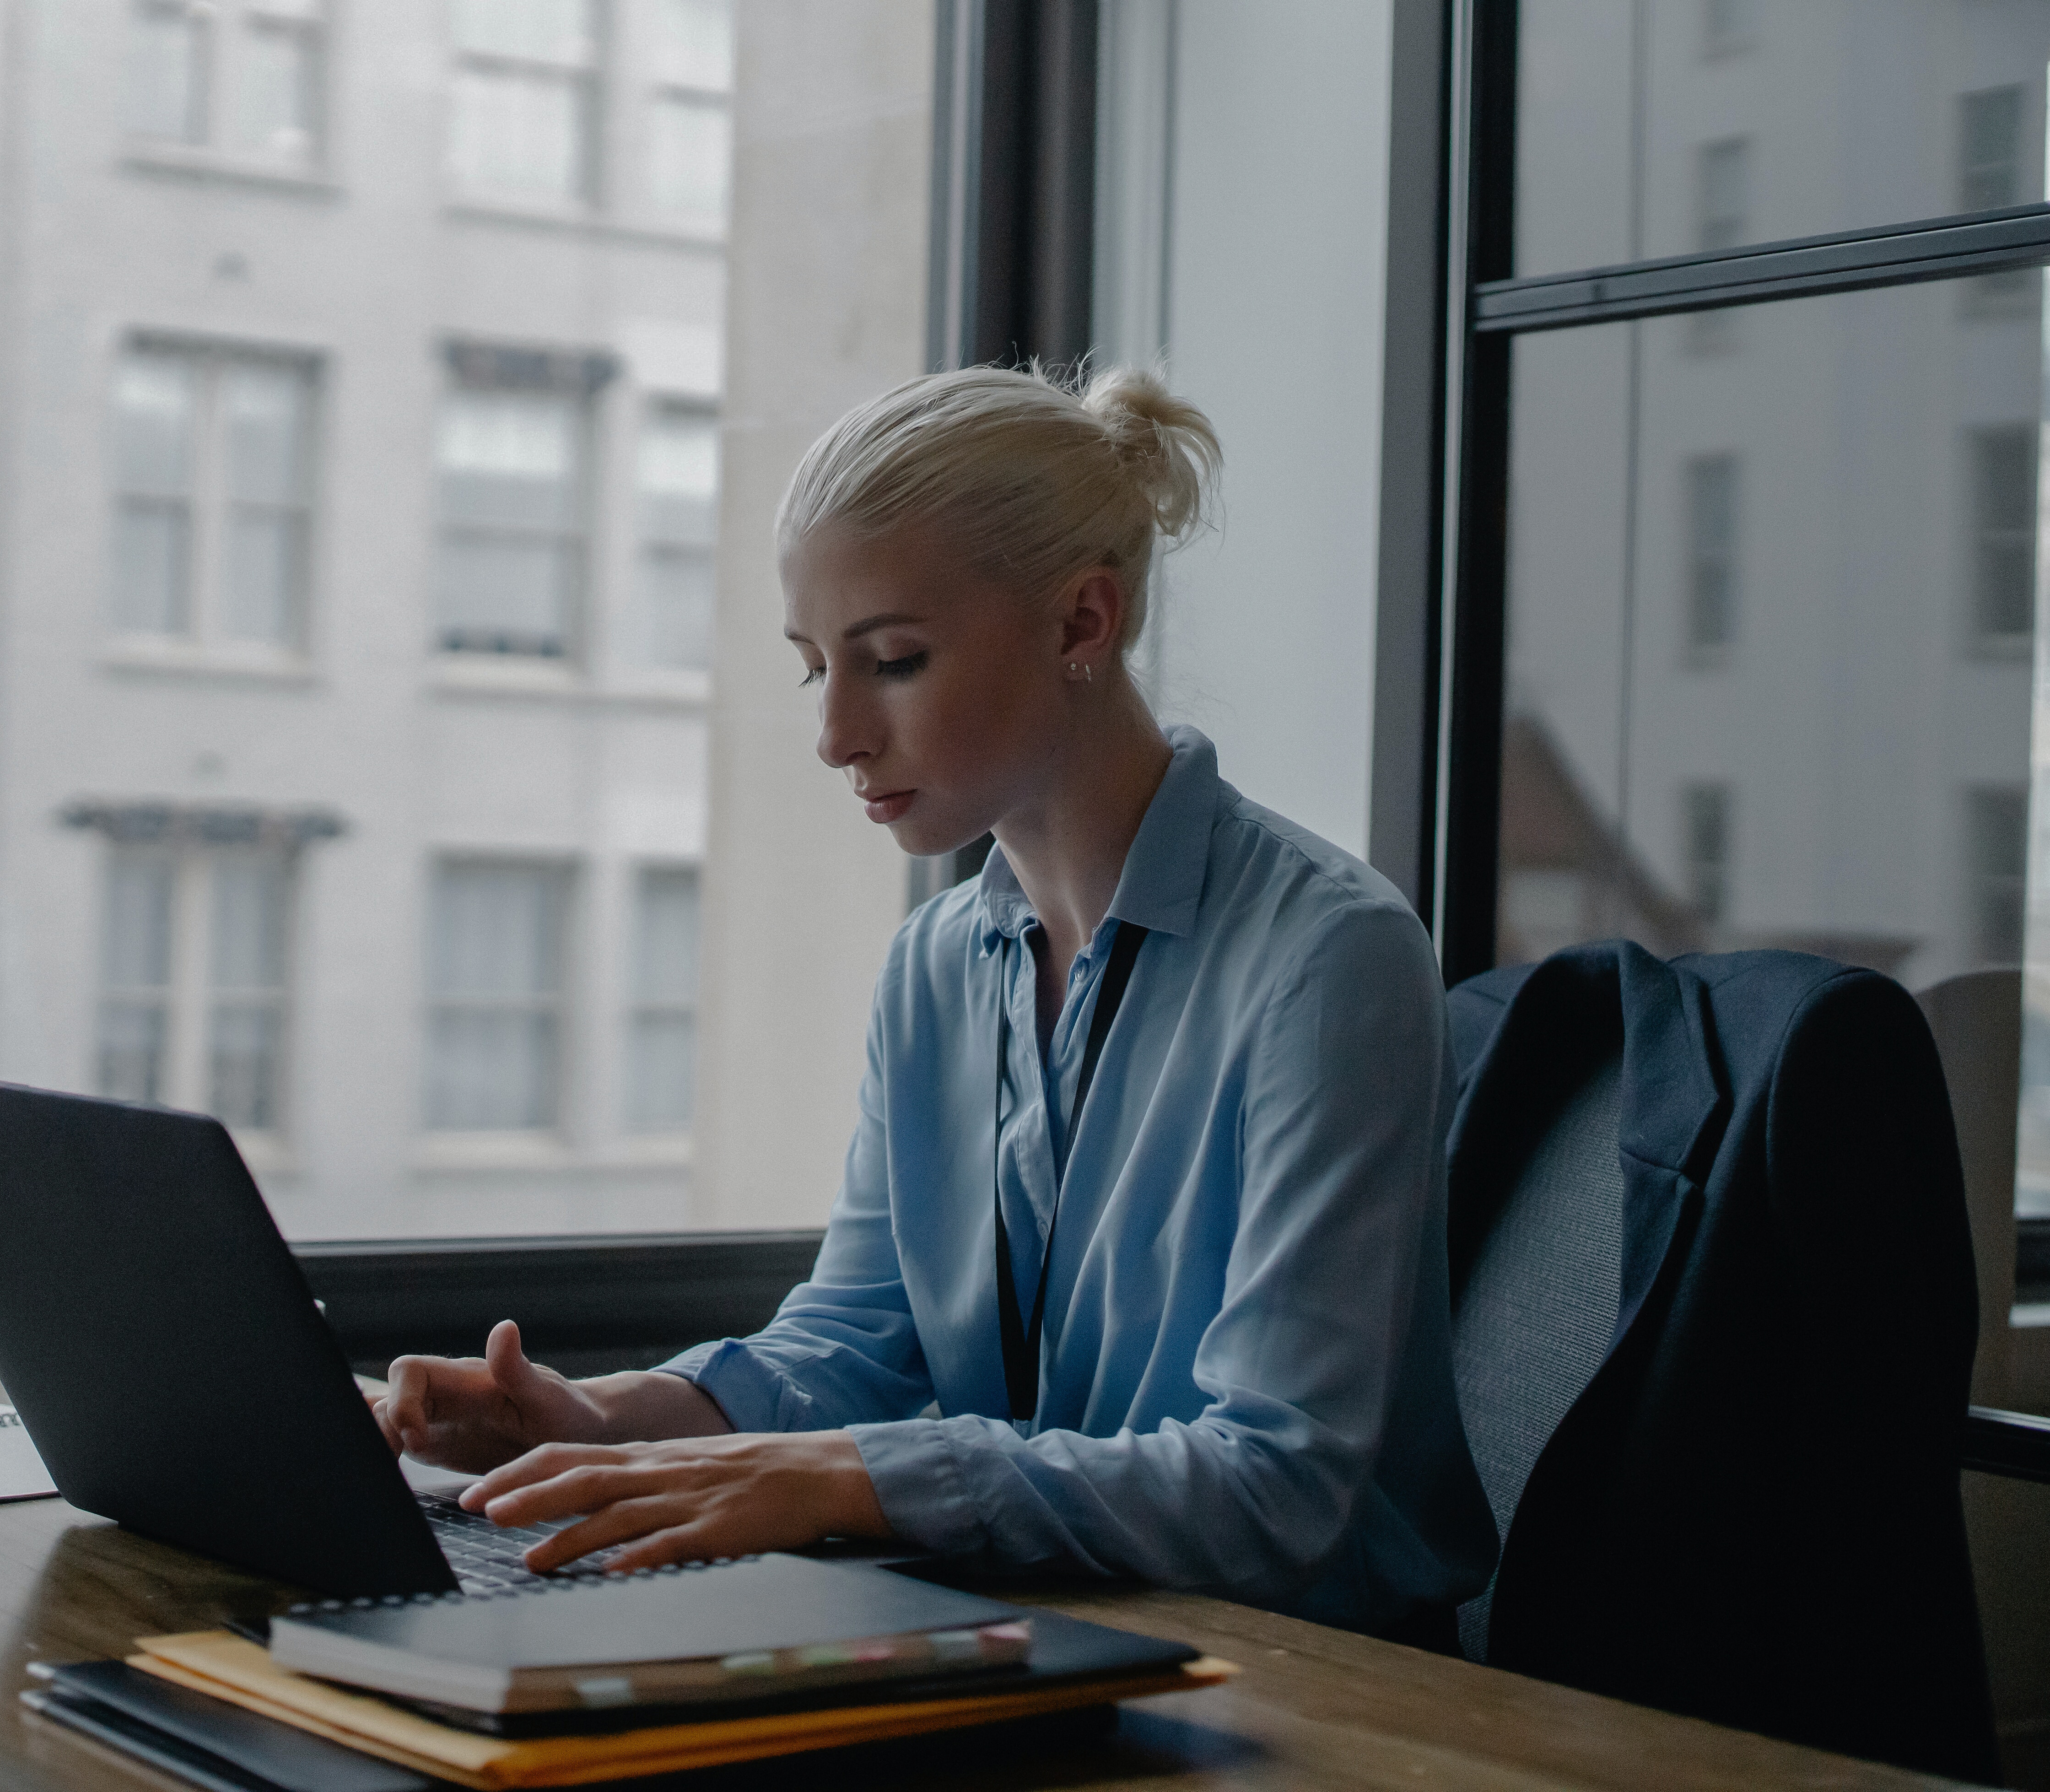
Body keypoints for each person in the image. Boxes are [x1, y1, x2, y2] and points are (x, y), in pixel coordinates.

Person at [372, 364, 1495, 1639]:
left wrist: (846, 1478)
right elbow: (858, 1343)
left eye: (893, 661)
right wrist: (611, 1418)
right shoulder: (935, 968)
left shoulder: (1329, 958)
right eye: (815, 671)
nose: (838, 734)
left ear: (1083, 623)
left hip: (1315, 1688)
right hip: (1030, 1632)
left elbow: (1275, 1486)